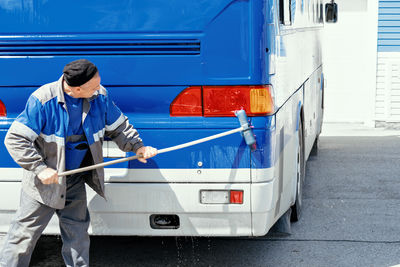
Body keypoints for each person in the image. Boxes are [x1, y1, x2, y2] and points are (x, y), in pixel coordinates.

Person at [0, 59, 157, 267]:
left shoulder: (99, 96)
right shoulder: (42, 100)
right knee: (22, 238)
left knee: (78, 237)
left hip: (73, 180)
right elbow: (15, 139)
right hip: (43, 185)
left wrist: (137, 147)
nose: (98, 89)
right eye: (93, 87)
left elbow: (119, 127)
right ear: (75, 89)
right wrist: (39, 168)